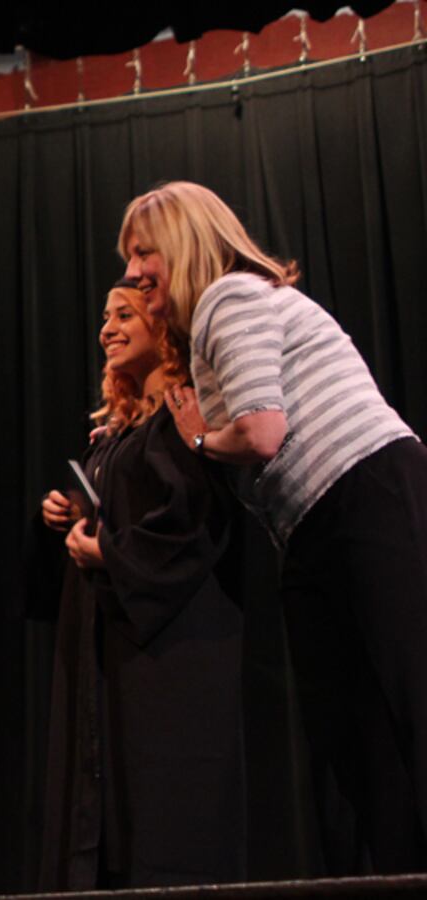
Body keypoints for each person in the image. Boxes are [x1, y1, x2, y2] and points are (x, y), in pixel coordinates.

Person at [119, 181, 427, 874]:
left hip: (367, 491)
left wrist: (200, 440)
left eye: (144, 252)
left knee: (406, 695)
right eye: (128, 257)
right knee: (352, 734)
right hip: (317, 526)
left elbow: (261, 433)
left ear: (184, 244)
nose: (133, 272)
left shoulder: (231, 297)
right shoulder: (210, 327)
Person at [36, 280, 245, 889]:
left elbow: (194, 523)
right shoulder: (118, 433)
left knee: (159, 821)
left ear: (164, 323)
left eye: (124, 314)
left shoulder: (187, 416)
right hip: (110, 655)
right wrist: (70, 512)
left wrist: (111, 552)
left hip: (168, 660)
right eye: (104, 317)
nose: (106, 328)